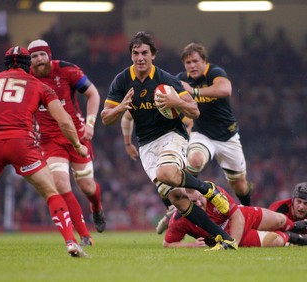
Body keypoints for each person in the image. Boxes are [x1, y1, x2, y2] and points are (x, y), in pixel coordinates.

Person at [102, 31, 237, 251]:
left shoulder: (166, 80)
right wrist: (120, 107)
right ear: (131, 55)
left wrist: (177, 101)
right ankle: (226, 239)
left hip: (171, 136)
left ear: (153, 55)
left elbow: (194, 111)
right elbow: (105, 118)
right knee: (178, 199)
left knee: (166, 173)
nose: (140, 58)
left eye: (145, 53)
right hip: (146, 145)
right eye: (135, 53)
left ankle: (207, 189)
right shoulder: (123, 80)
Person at [0, 46, 89, 258]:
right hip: (23, 144)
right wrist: (77, 145)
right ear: (29, 65)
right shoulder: (39, 85)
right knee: (51, 192)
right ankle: (71, 242)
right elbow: (63, 119)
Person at [27, 39, 105, 245]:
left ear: (49, 55)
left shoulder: (66, 70)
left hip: (76, 135)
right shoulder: (27, 78)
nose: (38, 59)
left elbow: (93, 94)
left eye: (41, 54)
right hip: (49, 140)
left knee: (87, 187)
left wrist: (90, 124)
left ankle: (96, 207)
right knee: (61, 184)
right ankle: (84, 236)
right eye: (34, 56)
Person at [177, 42, 252, 206]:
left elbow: (225, 90)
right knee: (195, 160)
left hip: (228, 136)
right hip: (202, 134)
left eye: (196, 61)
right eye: (188, 63)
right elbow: (166, 91)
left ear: (204, 61)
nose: (192, 65)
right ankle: (189, 201)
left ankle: (249, 209)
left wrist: (194, 91)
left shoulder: (215, 72)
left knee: (239, 185)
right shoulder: (182, 80)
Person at [163, 188, 307, 248]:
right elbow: (168, 244)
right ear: (184, 203)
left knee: (279, 220)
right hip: (232, 235)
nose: (200, 203)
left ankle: (296, 226)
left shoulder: (214, 194)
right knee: (276, 241)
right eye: (194, 202)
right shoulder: (180, 219)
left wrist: (232, 244)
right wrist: (192, 246)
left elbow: (236, 216)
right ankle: (292, 236)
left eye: (200, 198)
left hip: (242, 216)